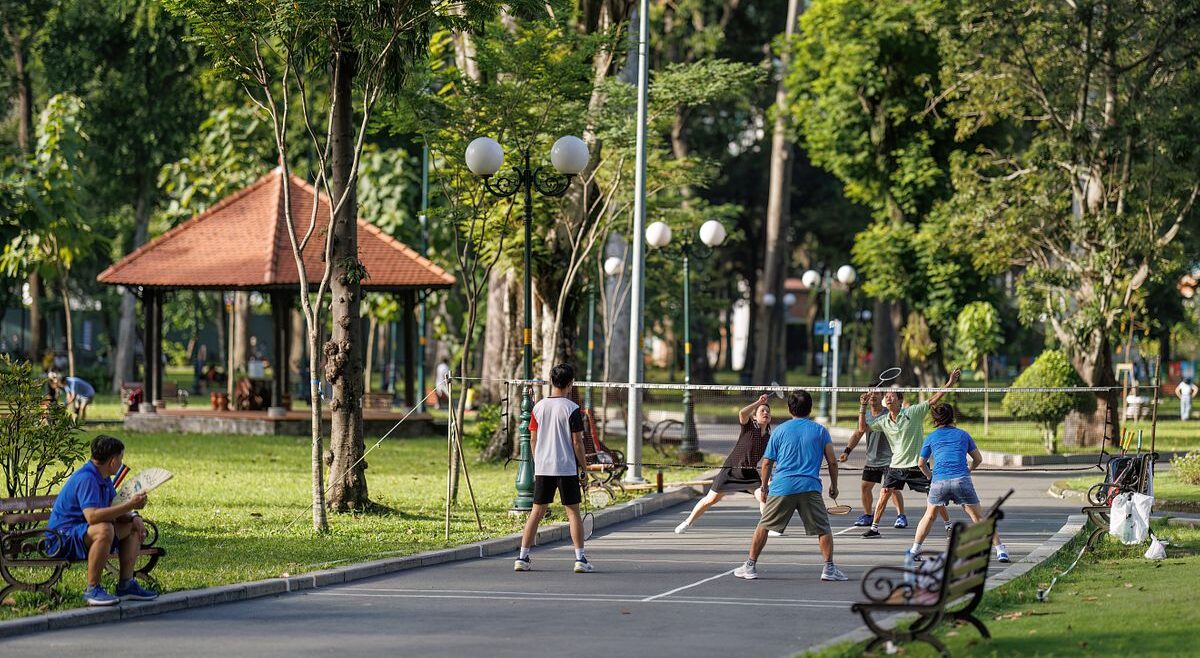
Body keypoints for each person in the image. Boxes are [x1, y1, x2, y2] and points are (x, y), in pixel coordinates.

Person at [732, 390, 848, 582]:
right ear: (810, 408)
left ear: (789, 408)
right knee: (823, 528)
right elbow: (833, 462)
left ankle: (750, 566)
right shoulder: (820, 431)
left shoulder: (779, 431)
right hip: (810, 487)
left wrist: (763, 486)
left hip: (782, 486)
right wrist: (834, 486)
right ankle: (828, 568)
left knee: (764, 526)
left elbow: (767, 463)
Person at [46, 435, 158, 605]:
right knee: (104, 529)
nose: (121, 463)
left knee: (131, 526)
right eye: (120, 459)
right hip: (62, 538)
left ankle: (126, 585)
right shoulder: (87, 478)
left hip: (81, 533)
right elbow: (93, 517)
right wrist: (129, 506)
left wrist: (134, 516)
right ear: (112, 461)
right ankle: (92, 589)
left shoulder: (103, 478)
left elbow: (115, 509)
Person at [859, 368, 961, 539]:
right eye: (887, 397)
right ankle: (874, 528)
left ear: (900, 401)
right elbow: (862, 428)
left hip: (916, 466)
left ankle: (948, 525)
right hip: (896, 466)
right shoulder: (883, 421)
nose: (888, 398)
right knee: (884, 493)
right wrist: (862, 407)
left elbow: (934, 399)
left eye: (892, 396)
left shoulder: (913, 412)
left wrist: (949, 383)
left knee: (933, 495)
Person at [514, 363, 594, 574]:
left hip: (543, 468)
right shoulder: (572, 409)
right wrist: (584, 470)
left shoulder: (538, 407)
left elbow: (533, 438)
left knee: (536, 513)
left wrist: (538, 460)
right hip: (566, 468)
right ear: (570, 384)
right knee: (573, 514)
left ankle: (522, 557)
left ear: (551, 381)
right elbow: (577, 443)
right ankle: (580, 559)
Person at [909, 403, 1009, 563]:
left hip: (939, 482)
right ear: (952, 417)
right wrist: (968, 470)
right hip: (961, 480)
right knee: (979, 518)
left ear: (935, 419)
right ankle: (1000, 550)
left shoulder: (931, 437)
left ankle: (915, 549)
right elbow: (978, 459)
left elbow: (921, 464)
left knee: (929, 516)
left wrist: (930, 476)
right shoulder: (963, 435)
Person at [675, 394, 773, 534]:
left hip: (749, 472)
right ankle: (687, 522)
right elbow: (742, 413)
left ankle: (767, 527)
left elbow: (767, 458)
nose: (766, 413)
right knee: (710, 499)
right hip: (731, 470)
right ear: (755, 417)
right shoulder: (749, 427)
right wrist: (758, 402)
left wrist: (767, 477)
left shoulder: (769, 437)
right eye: (762, 411)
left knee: (763, 497)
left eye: (768, 412)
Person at [839, 424, 904, 527]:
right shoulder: (866, 416)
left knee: (893, 489)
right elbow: (857, 435)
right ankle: (868, 515)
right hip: (872, 459)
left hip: (891, 459)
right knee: (865, 487)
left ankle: (901, 516)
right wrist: (847, 452)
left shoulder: (889, 414)